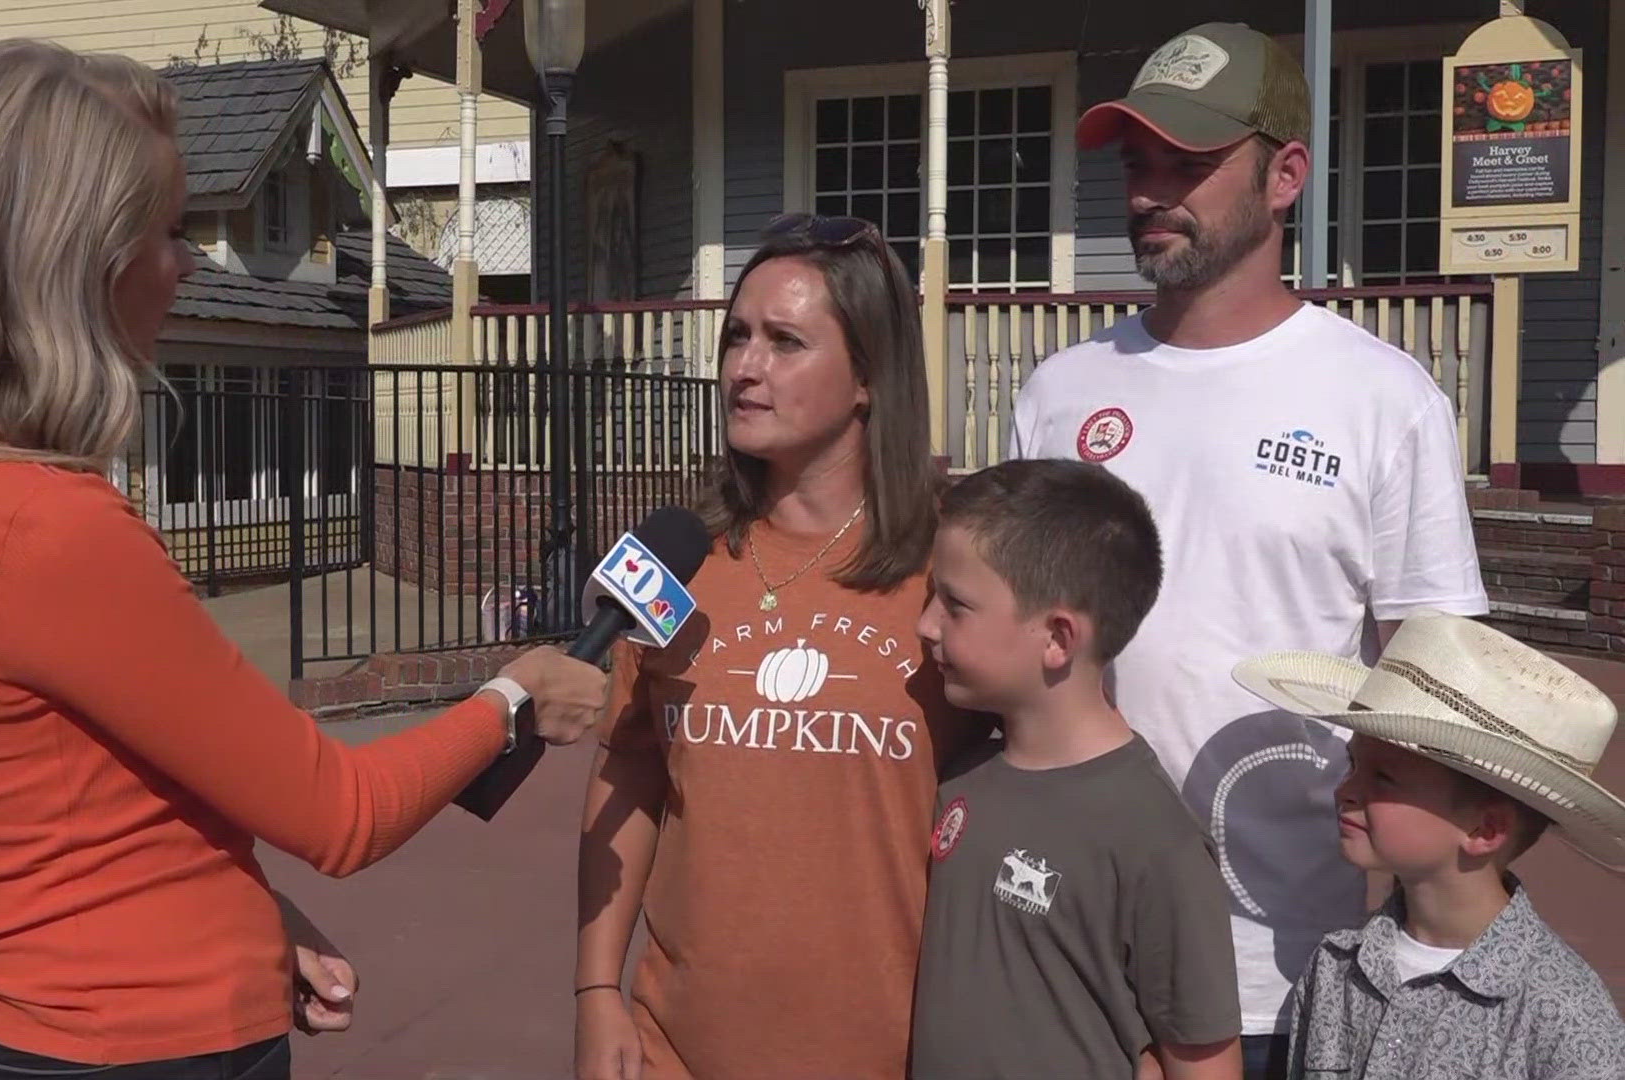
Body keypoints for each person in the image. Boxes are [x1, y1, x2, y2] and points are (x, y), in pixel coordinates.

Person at [0, 39, 607, 1079]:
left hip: (14, 1025)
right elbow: (339, 812)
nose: (186, 261)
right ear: (76, 265)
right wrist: (514, 695)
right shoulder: (44, 527)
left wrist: (249, 909)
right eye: (167, 230)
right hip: (146, 1049)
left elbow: (85, 805)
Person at [1010, 23, 1488, 1076]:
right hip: (1060, 950)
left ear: (1285, 175)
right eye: (1138, 161)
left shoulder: (1382, 398)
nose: (1149, 190)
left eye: (1187, 163)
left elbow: (1436, 695)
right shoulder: (1059, 394)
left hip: (1278, 968)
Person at [572, 214, 969, 1080]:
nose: (744, 368)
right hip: (676, 1044)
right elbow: (631, 769)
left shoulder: (953, 572)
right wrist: (596, 990)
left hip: (892, 1048)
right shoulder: (679, 561)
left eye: (786, 342)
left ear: (868, 376)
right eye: (737, 338)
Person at [912, 459, 1241, 1079]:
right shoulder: (961, 770)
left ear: (1059, 637)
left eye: (954, 605)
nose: (924, 623)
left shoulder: (1154, 838)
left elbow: (1203, 1060)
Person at [1234, 611, 1625, 1078]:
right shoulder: (1335, 970)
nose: (1345, 789)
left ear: (1485, 831)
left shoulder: (1561, 1015)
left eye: (1384, 777)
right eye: (1353, 762)